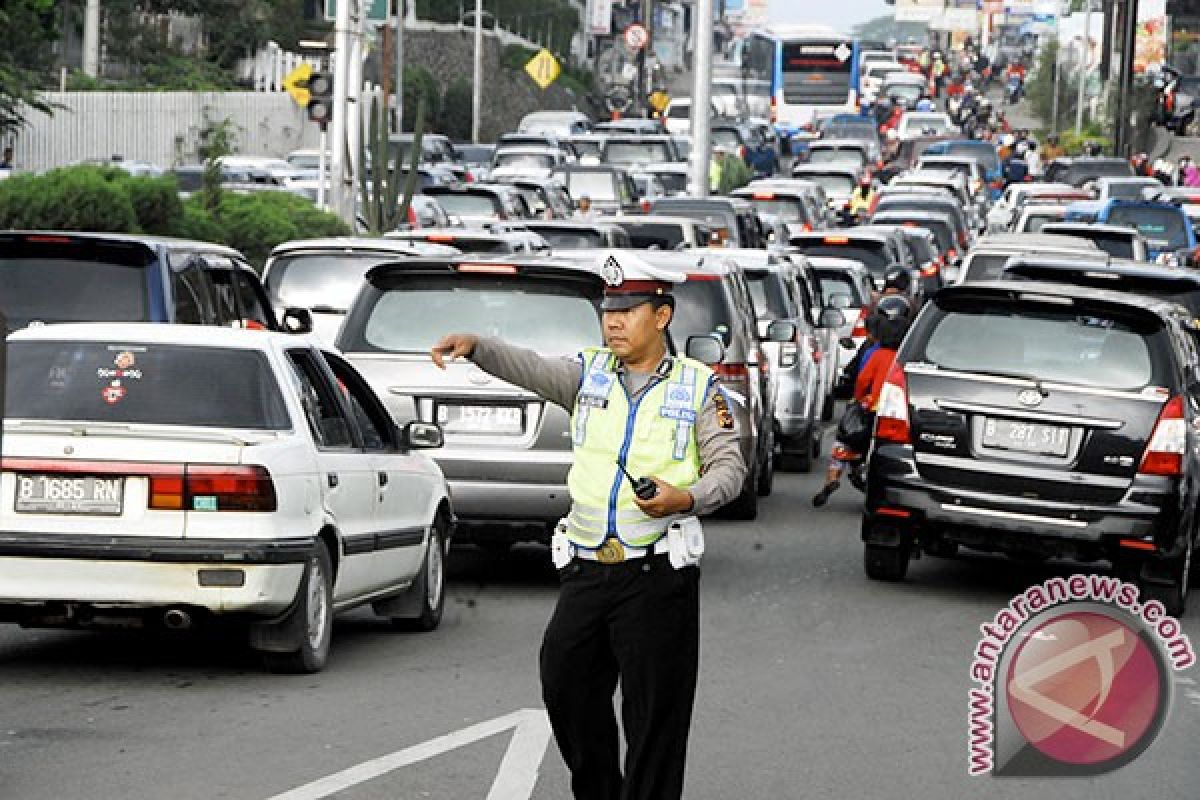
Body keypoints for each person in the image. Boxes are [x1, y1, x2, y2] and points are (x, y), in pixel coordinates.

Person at [430, 251, 747, 800]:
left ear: (662, 316)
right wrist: (478, 347)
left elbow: (730, 470)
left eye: (628, 311)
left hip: (656, 578)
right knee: (565, 685)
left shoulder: (699, 388)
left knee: (655, 723)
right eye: (608, 311)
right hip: (586, 572)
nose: (614, 322)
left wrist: (684, 497)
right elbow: (529, 366)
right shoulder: (589, 374)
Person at [814, 290, 912, 507]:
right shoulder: (907, 358)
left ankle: (832, 478)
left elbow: (861, 379)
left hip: (871, 405)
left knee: (844, 438)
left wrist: (859, 401)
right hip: (897, 412)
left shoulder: (876, 354)